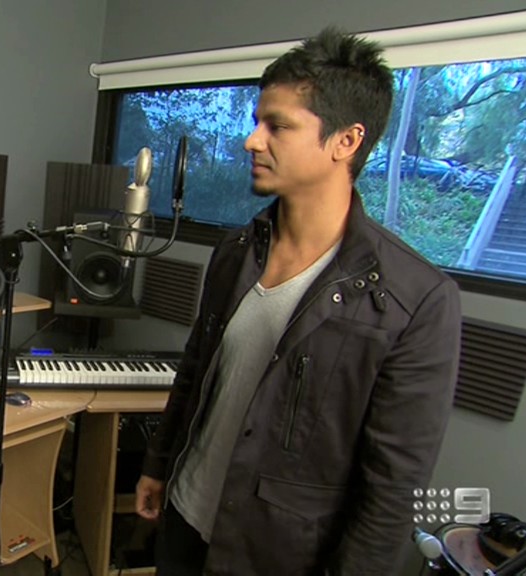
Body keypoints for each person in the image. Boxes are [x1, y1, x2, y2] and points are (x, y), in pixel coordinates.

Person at [135, 27, 462, 575]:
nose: (252, 141)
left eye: (278, 126)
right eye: (256, 122)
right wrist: (158, 463)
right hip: (185, 523)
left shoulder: (417, 301)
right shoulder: (236, 251)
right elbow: (196, 371)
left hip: (275, 557)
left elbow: (393, 487)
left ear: (346, 141)